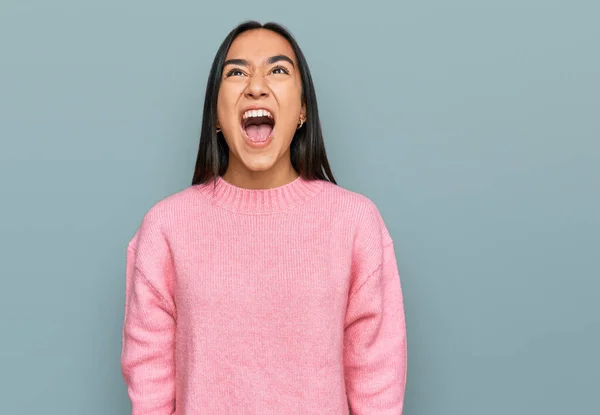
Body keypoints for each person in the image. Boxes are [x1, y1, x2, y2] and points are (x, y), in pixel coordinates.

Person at [120, 20, 407, 414]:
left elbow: (378, 387)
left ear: (303, 109)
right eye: (236, 72)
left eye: (278, 70)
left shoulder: (355, 223)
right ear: (216, 115)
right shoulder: (165, 229)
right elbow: (150, 390)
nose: (256, 85)